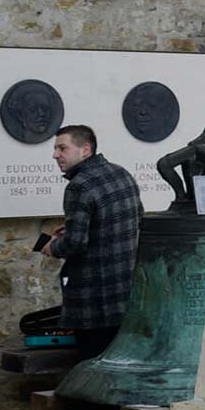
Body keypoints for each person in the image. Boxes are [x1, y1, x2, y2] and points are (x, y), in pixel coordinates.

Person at [41, 125, 143, 361]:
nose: (55, 154)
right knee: (120, 366)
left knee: (91, 371)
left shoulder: (79, 185)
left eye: (62, 148)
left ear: (85, 150)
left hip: (93, 300)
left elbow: (75, 244)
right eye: (56, 148)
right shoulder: (122, 174)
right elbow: (135, 218)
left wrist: (52, 246)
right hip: (125, 293)